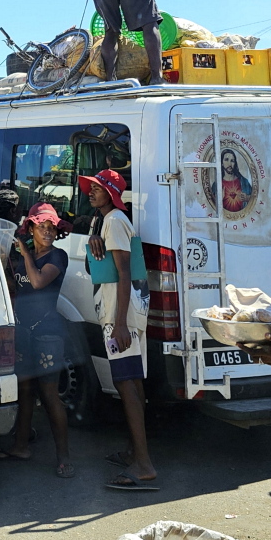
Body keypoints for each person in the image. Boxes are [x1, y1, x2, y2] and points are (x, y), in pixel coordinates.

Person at [80, 170, 156, 491]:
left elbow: (124, 274)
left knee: (125, 383)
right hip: (119, 313)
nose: (91, 193)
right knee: (133, 383)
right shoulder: (107, 221)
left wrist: (120, 324)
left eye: (97, 189)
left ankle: (143, 464)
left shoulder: (114, 221)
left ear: (111, 192)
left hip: (119, 315)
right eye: (91, 189)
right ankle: (133, 452)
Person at [0, 202, 73, 477]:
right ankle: (20, 446)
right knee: (24, 390)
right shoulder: (21, 258)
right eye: (42, 227)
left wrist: (24, 251)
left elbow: (37, 282)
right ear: (32, 229)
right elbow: (17, 287)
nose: (48, 232)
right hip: (23, 330)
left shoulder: (57, 257)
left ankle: (64, 458)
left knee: (49, 395)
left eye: (52, 227)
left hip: (48, 333)